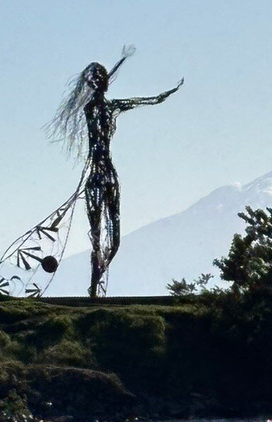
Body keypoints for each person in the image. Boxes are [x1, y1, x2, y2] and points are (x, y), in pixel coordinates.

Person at [48, 48, 183, 297]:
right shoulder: (91, 109)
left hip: (109, 174)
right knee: (97, 235)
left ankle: (97, 277)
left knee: (114, 238)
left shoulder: (112, 107)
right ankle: (94, 288)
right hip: (96, 176)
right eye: (99, 80)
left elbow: (143, 101)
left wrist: (164, 95)